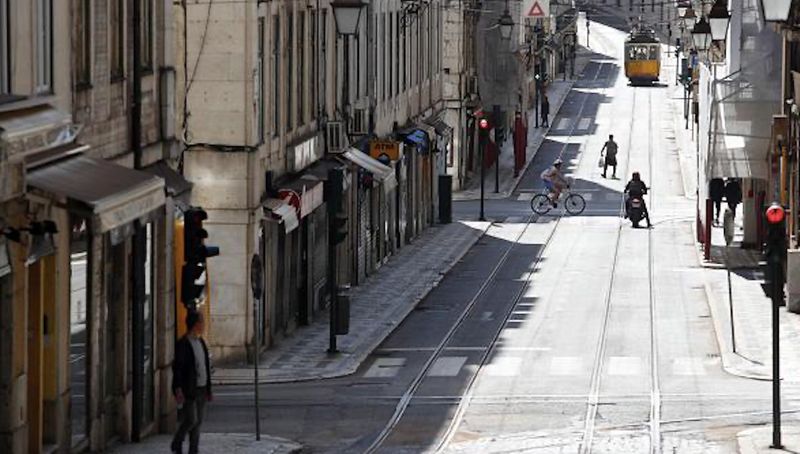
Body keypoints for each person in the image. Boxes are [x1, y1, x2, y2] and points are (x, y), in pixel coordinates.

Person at [172, 311, 213, 454]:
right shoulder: (183, 344)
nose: (203, 325)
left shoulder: (201, 342)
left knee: (198, 423)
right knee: (191, 420)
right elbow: (178, 367)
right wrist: (178, 388)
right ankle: (177, 442)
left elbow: (205, 366)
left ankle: (193, 450)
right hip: (189, 389)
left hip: (202, 388)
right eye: (201, 322)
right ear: (195, 324)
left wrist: (208, 390)